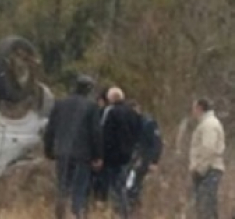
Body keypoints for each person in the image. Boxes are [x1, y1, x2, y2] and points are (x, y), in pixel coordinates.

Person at [43, 74, 104, 219]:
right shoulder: (91, 107)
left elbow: (50, 129)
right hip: (83, 155)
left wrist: (49, 150)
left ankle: (60, 214)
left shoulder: (60, 104)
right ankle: (76, 214)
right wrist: (98, 156)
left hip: (62, 153)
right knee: (79, 190)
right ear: (89, 90)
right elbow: (95, 132)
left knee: (63, 187)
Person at [101, 87, 142, 219]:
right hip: (129, 156)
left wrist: (102, 154)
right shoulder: (134, 113)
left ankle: (119, 213)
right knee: (124, 184)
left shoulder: (111, 112)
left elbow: (105, 134)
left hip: (113, 157)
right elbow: (138, 134)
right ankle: (125, 211)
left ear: (111, 99)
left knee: (115, 187)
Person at [189, 98, 225, 219]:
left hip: (209, 170)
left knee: (206, 207)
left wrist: (199, 169)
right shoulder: (205, 124)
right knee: (206, 205)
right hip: (208, 169)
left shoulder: (209, 125)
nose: (192, 112)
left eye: (194, 108)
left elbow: (208, 149)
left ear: (200, 108)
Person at [126, 100, 163, 212]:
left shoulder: (148, 123)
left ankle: (134, 208)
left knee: (134, 185)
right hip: (132, 159)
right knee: (131, 186)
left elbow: (157, 143)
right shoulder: (130, 123)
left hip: (143, 159)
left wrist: (154, 161)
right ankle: (132, 207)